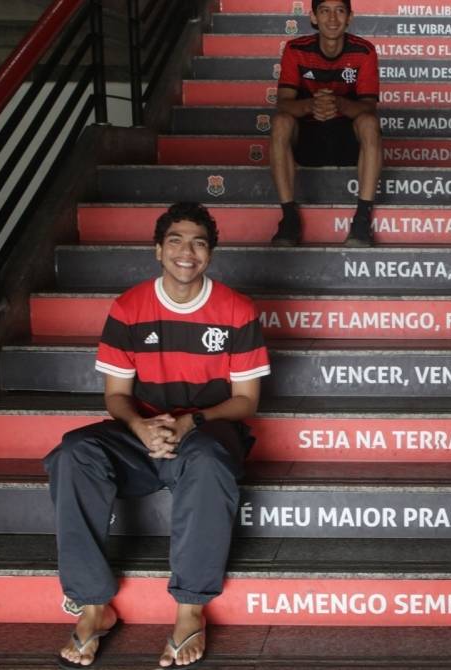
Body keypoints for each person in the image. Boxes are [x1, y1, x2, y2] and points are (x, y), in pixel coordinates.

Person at [46, 202, 270, 668]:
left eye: (199, 242)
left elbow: (246, 401)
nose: (186, 251)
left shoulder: (236, 309)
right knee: (74, 452)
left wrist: (190, 422)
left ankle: (190, 610)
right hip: (140, 433)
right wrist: (141, 427)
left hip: (207, 431)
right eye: (175, 241)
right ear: (157, 249)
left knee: (209, 461)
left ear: (210, 253)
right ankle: (94, 606)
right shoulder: (129, 307)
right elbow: (115, 395)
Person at [270, 0, 381, 247]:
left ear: (350, 17)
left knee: (370, 123)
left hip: (347, 139)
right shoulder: (295, 48)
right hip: (308, 137)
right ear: (313, 17)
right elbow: (283, 103)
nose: (332, 19)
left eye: (340, 11)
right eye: (325, 11)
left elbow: (369, 106)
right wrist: (311, 105)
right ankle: (289, 218)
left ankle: (362, 220)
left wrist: (338, 104)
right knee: (280, 122)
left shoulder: (364, 51)